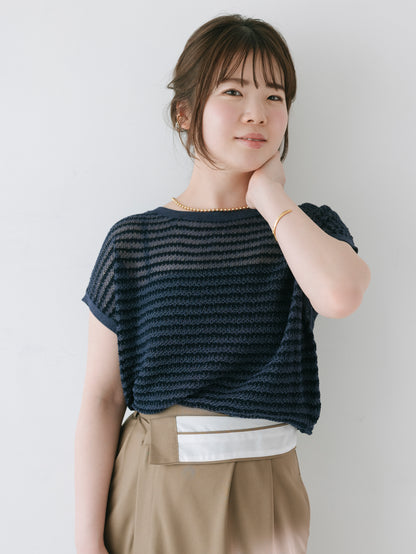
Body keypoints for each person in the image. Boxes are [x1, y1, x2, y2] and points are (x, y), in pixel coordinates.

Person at [74, 13, 371, 554]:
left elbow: (340, 295)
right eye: (234, 91)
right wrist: (86, 540)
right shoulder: (134, 241)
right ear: (185, 112)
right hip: (157, 485)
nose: (257, 112)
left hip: (267, 487)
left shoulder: (305, 228)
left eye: (275, 96)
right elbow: (102, 397)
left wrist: (269, 196)